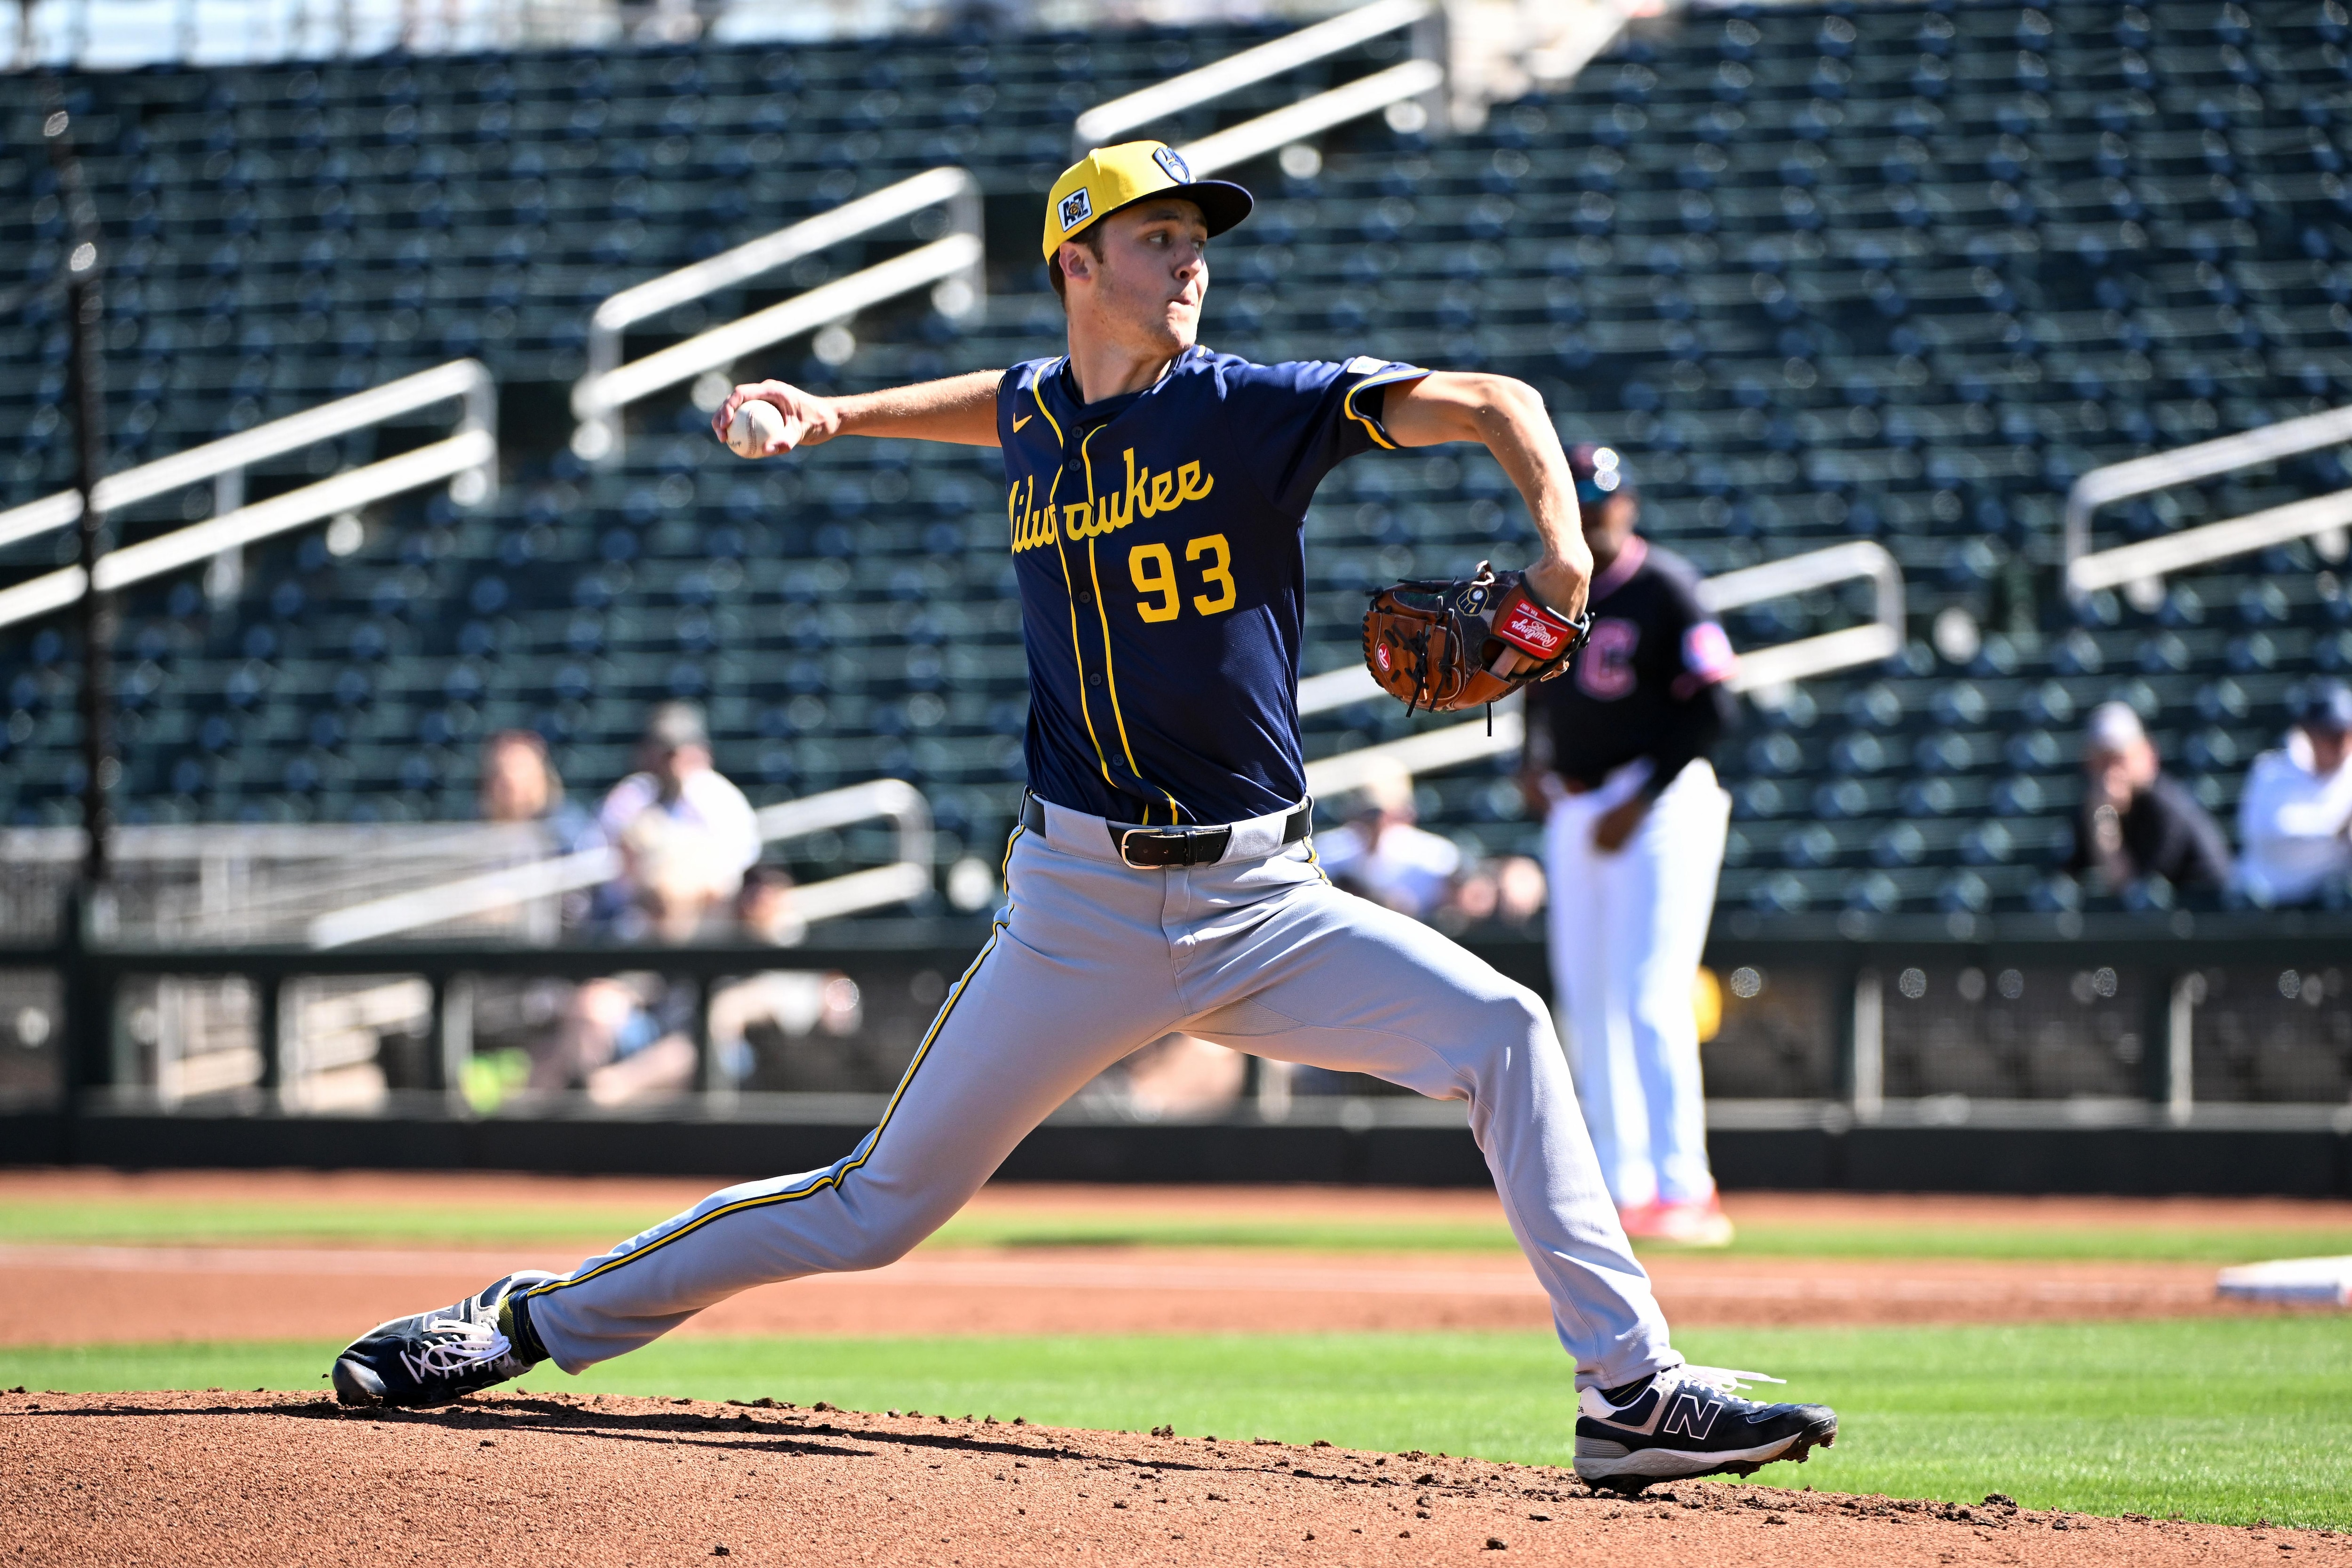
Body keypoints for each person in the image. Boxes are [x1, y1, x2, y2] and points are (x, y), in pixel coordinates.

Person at [330, 141, 1836, 1489]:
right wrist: (834, 413)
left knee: (1505, 1030)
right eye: (1156, 237)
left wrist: (1560, 553)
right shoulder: (1039, 413)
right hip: (1078, 912)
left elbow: (1498, 401)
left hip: (1267, 903)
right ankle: (523, 1320)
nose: (1189, 261)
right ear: (1076, 264)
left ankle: (1628, 1391)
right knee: (874, 1207)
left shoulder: (1251, 409)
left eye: (1198, 240)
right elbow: (987, 407)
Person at [1520, 444, 1740, 1249]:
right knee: (1586, 1001)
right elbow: (1533, 688)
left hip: (1661, 799)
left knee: (1652, 994)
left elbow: (1716, 708)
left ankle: (1686, 1184)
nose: (1592, 513)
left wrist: (1640, 798)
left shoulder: (1666, 587)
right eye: (1578, 500)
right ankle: (1619, 1183)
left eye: (1602, 499)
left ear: (1629, 503)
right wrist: (1530, 764)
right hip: (1579, 805)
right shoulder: (1551, 591)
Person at [596, 701, 762, 943]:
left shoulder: (722, 798)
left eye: (683, 750)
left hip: (712, 921)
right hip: (638, 923)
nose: (674, 762)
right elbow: (608, 870)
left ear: (703, 752)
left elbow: (733, 874)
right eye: (665, 752)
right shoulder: (628, 798)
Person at [2068, 700, 2231, 897]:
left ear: (2147, 755)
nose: (2111, 772)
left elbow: (2131, 890)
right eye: (2102, 761)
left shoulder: (2165, 808)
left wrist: (2104, 821)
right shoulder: (2093, 807)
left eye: (2119, 759)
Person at [2234, 683, 2352, 907]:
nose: (2340, 745)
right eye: (2330, 735)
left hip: (2335, 911)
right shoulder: (2271, 772)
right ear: (2308, 733)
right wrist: (2338, 833)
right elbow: (2272, 837)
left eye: (2345, 734)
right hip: (2267, 907)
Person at [1314, 758, 1464, 919]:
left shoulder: (1436, 859)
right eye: (1361, 812)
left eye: (1375, 813)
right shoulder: (1326, 853)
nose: (1368, 822)